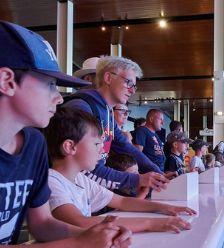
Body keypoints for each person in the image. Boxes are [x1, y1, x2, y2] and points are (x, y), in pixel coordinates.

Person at [0, 20, 131, 248]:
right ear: (7, 81)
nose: (59, 97)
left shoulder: (32, 144)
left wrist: (93, 235)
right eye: (49, 84)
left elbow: (42, 224)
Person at [44, 108, 195, 234]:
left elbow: (122, 201)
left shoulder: (79, 179)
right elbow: (81, 222)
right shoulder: (51, 182)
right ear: (70, 147)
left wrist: (165, 208)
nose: (102, 150)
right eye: (96, 143)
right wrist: (150, 223)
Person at [62, 56, 168, 193]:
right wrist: (137, 179)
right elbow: (84, 169)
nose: (132, 91)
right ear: (108, 78)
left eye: (134, 86)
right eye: (128, 82)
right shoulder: (81, 108)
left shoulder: (107, 112)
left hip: (90, 192)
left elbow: (125, 146)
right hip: (69, 195)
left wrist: (159, 174)